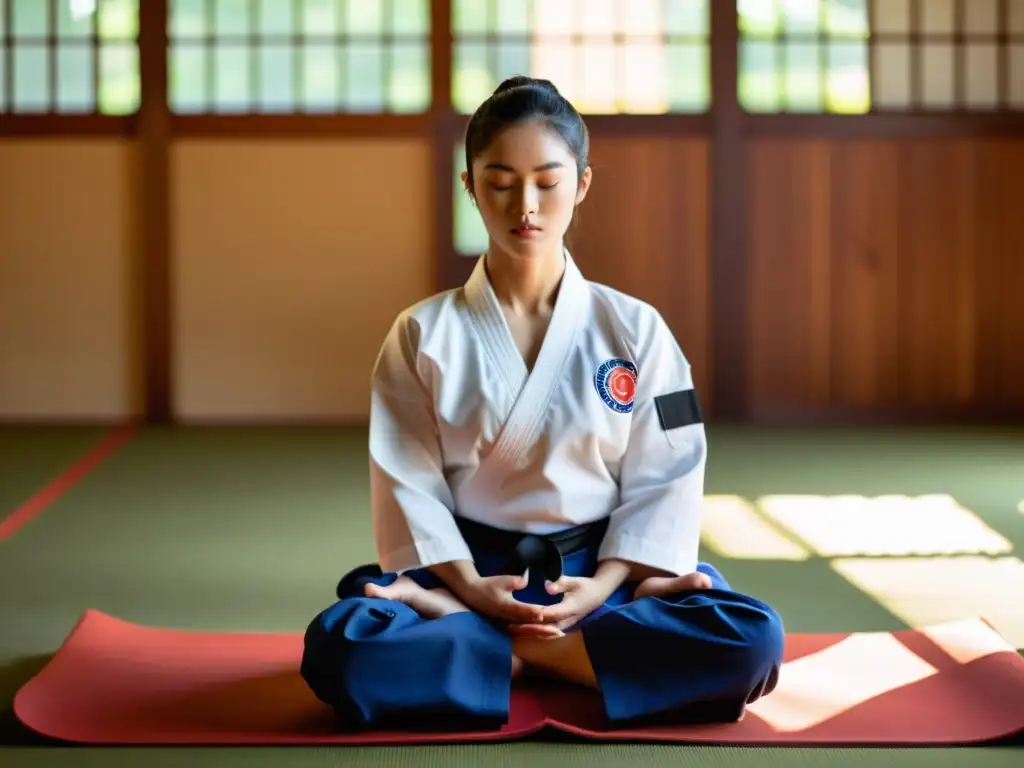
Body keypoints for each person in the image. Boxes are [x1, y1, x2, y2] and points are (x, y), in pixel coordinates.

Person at [300, 75, 784, 731]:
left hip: (601, 578)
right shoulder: (421, 332)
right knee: (341, 648)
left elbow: (671, 466)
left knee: (753, 639)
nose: (524, 203)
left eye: (547, 181)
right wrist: (469, 590)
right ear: (469, 185)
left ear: (582, 184)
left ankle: (501, 654)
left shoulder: (638, 328)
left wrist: (609, 583)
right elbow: (405, 477)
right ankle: (572, 657)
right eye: (499, 180)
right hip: (466, 569)